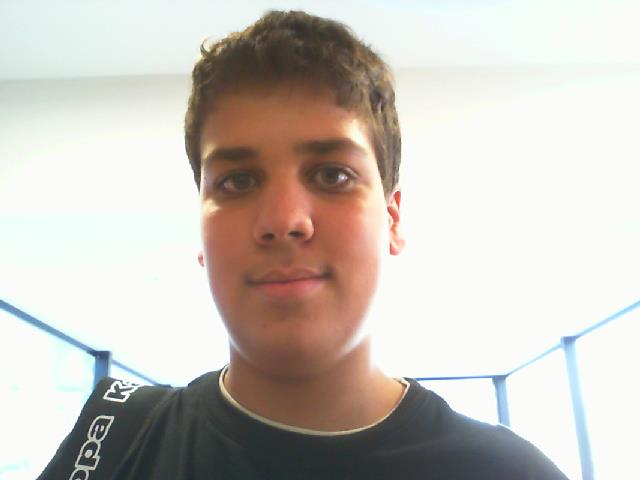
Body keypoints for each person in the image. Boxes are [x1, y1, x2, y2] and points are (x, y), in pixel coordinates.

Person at [39, 10, 569, 479]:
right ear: (201, 232)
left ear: (392, 218)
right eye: (238, 181)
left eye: (332, 175)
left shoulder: (509, 472)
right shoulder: (112, 443)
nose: (283, 221)